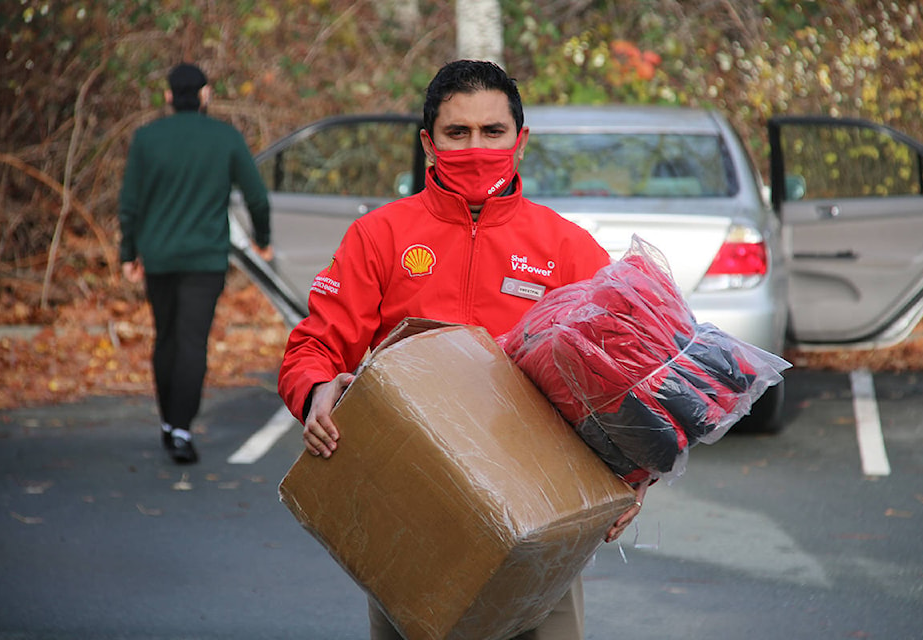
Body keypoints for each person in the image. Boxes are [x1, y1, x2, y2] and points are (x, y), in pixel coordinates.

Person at [277, 59, 647, 640]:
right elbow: (315, 345)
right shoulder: (381, 237)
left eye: (492, 132)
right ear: (429, 143)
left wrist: (638, 471)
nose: (476, 148)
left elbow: (627, 378)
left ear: (520, 142)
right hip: (412, 522)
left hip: (542, 528)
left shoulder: (567, 249)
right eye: (457, 133)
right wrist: (316, 390)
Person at [118, 63, 273, 464]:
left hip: (160, 257)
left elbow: (130, 203)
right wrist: (263, 240)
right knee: (191, 341)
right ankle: (182, 428)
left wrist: (128, 253)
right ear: (206, 94)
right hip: (205, 260)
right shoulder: (224, 138)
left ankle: (170, 422)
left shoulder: (146, 139)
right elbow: (256, 196)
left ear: (168, 96)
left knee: (166, 336)